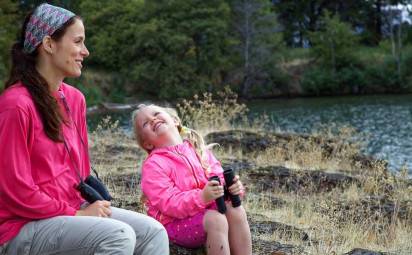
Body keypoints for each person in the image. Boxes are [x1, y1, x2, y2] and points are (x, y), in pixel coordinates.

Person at [0, 3, 168, 255]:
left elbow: (78, 172)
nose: (85, 51)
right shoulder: (16, 105)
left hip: (70, 210)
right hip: (21, 226)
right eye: (78, 42)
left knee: (153, 232)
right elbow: (15, 190)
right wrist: (76, 213)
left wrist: (83, 208)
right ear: (48, 44)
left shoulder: (75, 99)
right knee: (117, 236)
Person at [132, 104, 252, 255]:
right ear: (147, 143)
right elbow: (169, 203)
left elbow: (218, 177)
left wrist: (231, 188)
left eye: (156, 113)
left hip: (204, 211)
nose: (153, 119)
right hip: (173, 223)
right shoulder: (153, 165)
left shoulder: (197, 149)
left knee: (236, 210)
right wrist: (201, 197)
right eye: (145, 123)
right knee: (216, 220)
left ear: (175, 120)